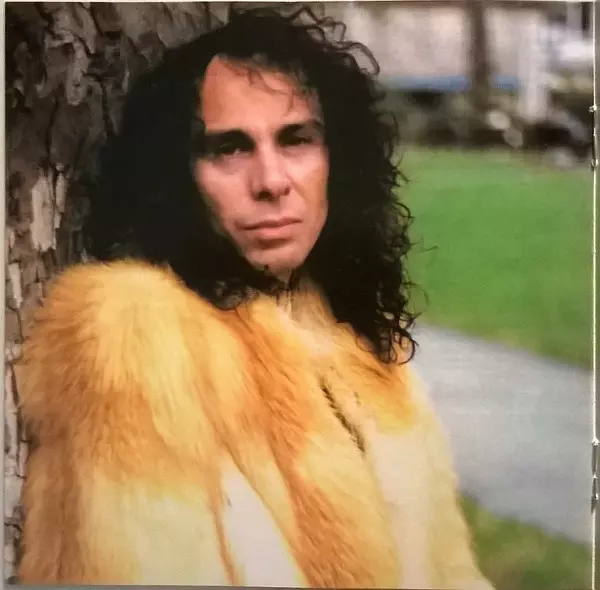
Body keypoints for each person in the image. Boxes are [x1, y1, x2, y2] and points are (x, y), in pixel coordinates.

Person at [17, 6, 493, 589]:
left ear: (337, 162)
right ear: (176, 175)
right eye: (229, 148)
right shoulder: (134, 331)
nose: (270, 181)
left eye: (297, 140)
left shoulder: (362, 340)